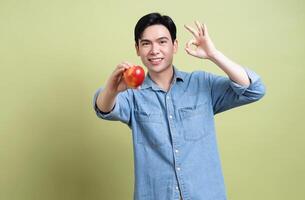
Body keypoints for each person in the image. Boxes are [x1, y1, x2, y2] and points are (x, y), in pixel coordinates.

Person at [93, 12, 265, 200]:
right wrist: (112, 88)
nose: (154, 50)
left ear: (174, 46)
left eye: (162, 42)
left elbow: (253, 89)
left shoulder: (202, 84)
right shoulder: (133, 94)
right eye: (146, 43)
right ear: (137, 49)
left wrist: (213, 55)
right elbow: (104, 109)